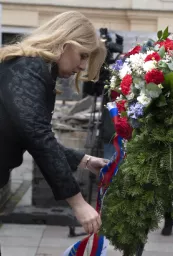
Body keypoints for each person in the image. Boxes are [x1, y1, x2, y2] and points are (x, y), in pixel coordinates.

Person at [0, 11, 108, 235]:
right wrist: (77, 202)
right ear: (65, 44)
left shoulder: (29, 68)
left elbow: (29, 133)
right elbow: (37, 137)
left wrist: (84, 161)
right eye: (83, 55)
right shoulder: (27, 69)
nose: (82, 67)